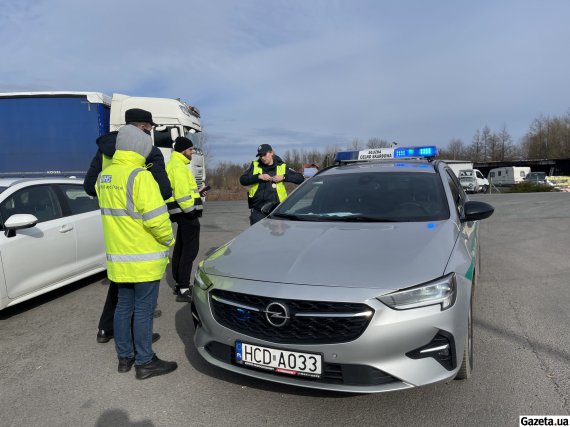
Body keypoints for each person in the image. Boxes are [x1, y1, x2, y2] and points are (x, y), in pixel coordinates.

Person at [95, 124, 177, 379]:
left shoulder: (104, 177)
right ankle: (145, 361)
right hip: (143, 258)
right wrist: (168, 241)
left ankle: (125, 357)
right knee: (143, 310)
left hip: (118, 257)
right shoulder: (140, 176)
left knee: (123, 308)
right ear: (141, 148)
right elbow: (157, 220)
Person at [83, 108, 171, 344]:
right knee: (142, 302)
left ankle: (106, 329)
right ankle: (140, 344)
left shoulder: (104, 151)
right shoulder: (147, 152)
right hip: (141, 233)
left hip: (115, 231)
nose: (151, 134)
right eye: (150, 129)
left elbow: (90, 186)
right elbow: (164, 191)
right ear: (143, 128)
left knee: (121, 292)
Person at [165, 136, 203, 303]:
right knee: (190, 251)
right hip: (187, 215)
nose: (192, 152)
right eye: (190, 150)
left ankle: (179, 284)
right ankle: (183, 288)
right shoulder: (179, 167)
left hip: (182, 215)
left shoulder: (175, 165)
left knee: (180, 249)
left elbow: (184, 191)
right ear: (183, 150)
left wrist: (198, 193)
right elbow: (182, 195)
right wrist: (191, 211)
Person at [240, 144, 304, 224]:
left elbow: (300, 178)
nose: (262, 157)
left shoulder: (282, 166)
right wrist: (258, 177)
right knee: (257, 234)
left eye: (264, 154)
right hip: (258, 210)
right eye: (260, 155)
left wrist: (284, 177)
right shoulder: (254, 165)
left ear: (271, 153)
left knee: (277, 235)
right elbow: (242, 180)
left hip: (277, 209)